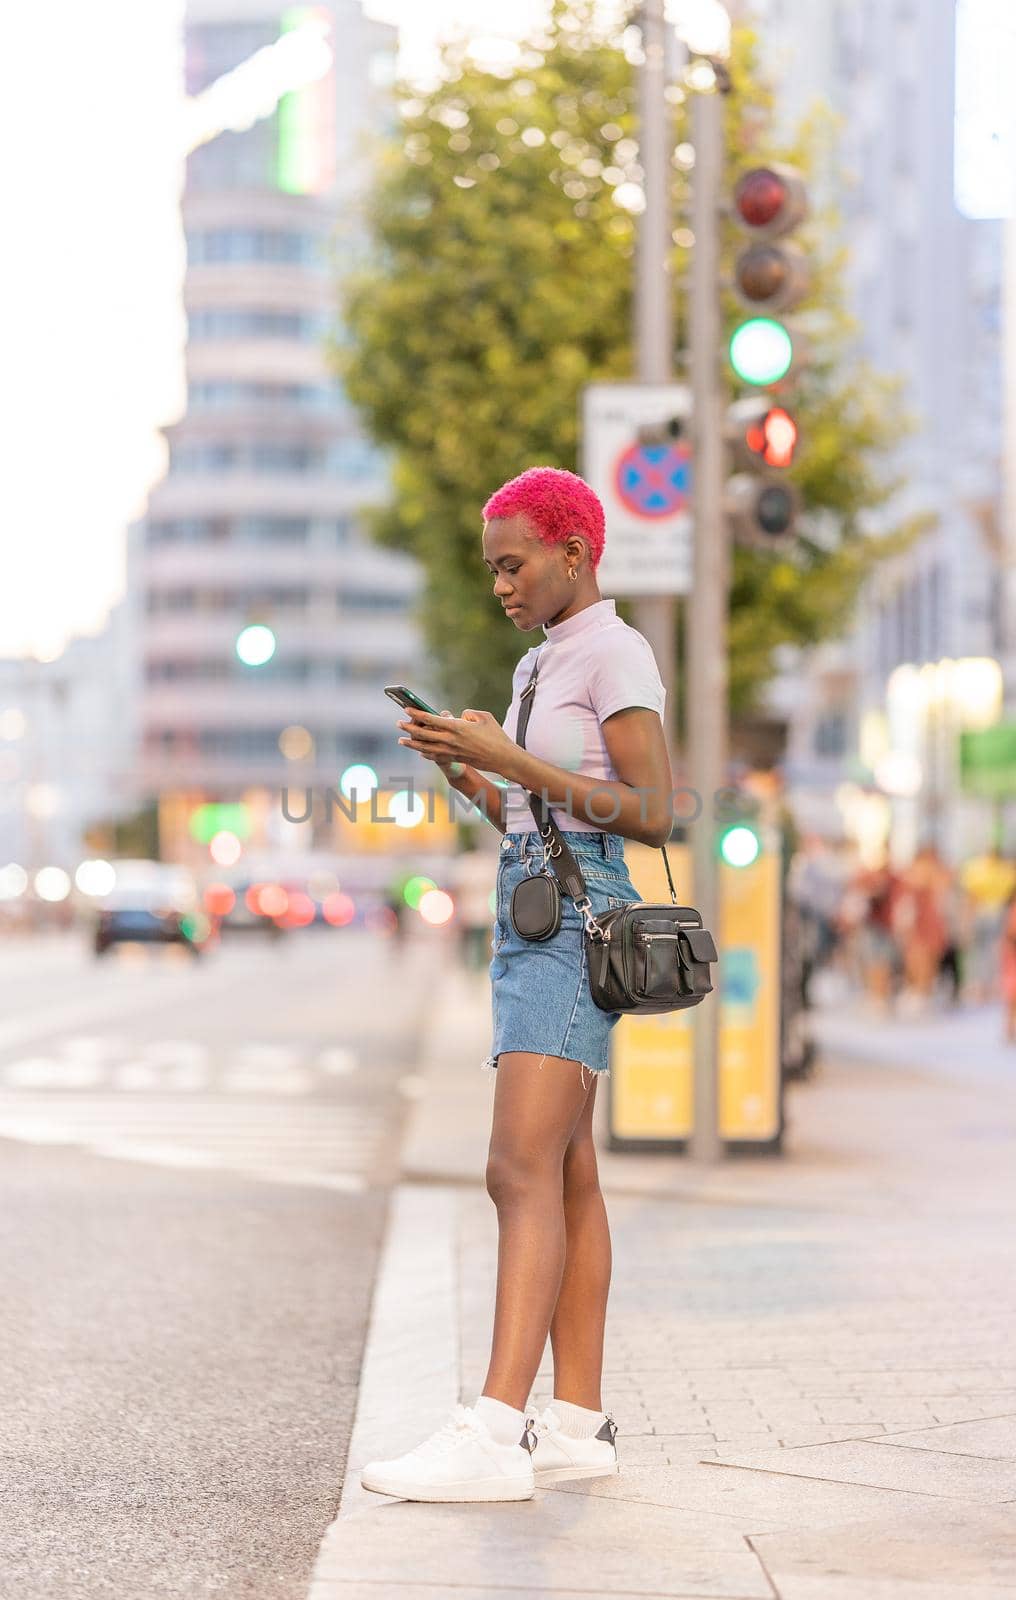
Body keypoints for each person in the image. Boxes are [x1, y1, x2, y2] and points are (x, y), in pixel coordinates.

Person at [361, 466, 672, 1503]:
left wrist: (513, 758)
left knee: (516, 1168)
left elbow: (652, 809)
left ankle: (495, 1432)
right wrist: (471, 772)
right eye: (491, 567)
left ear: (572, 552)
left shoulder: (613, 650)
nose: (499, 584)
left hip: (570, 930)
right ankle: (574, 1422)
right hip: (536, 906)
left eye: (513, 563)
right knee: (568, 1173)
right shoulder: (546, 661)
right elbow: (541, 822)